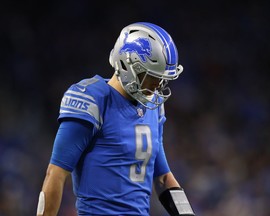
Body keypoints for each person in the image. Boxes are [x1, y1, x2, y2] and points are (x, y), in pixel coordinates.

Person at [36, 22, 196, 216]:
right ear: (127, 65)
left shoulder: (153, 107)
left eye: (161, 79)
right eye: (151, 77)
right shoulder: (92, 99)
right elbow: (56, 173)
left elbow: (162, 178)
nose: (157, 86)